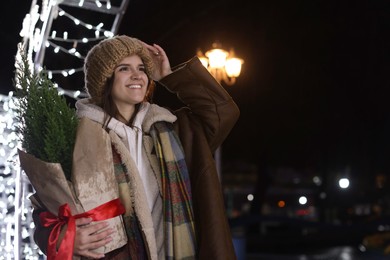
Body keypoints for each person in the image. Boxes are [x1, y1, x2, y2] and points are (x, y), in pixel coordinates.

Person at [31, 35, 240, 259]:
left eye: (141, 68)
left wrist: (168, 77)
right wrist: (67, 238)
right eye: (124, 68)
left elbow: (222, 113)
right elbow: (46, 210)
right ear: (105, 79)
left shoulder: (172, 130)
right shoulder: (77, 138)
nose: (137, 75)